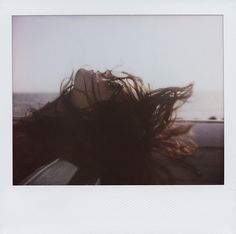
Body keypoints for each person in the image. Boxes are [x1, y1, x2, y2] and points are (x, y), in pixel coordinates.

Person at [13, 68, 196, 185]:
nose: (107, 72)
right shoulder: (50, 136)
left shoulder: (41, 157)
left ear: (95, 115)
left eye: (111, 85)